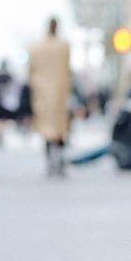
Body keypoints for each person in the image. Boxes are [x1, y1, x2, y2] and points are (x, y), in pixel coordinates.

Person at [28, 17, 72, 177]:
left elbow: (31, 70)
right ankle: (58, 161)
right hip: (59, 92)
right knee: (59, 129)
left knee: (47, 129)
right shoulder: (63, 46)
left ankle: (51, 162)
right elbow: (68, 69)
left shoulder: (37, 47)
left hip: (43, 93)